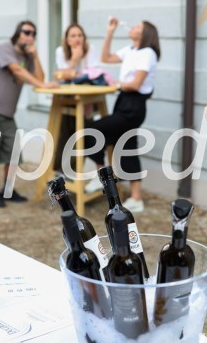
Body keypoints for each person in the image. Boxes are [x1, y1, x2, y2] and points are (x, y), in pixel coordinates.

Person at [0, 20, 57, 207]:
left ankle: (8, 190)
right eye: (26, 32)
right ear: (17, 33)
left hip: (7, 113)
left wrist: (35, 56)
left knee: (13, 152)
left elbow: (39, 78)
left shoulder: (27, 57)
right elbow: (17, 71)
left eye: (33, 34)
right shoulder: (5, 48)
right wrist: (41, 84)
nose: (30, 36)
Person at [82, 18, 159, 213]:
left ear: (145, 34)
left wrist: (116, 85)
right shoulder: (130, 50)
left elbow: (135, 84)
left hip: (133, 104)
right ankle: (136, 198)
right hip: (124, 101)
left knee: (92, 131)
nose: (133, 27)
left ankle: (101, 176)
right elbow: (106, 58)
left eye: (137, 27)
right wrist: (110, 31)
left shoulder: (147, 53)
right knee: (127, 145)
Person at [53, 23, 98, 172]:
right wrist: (74, 60)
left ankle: (75, 169)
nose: (77, 39)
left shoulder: (89, 49)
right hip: (67, 97)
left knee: (83, 134)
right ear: (67, 39)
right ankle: (59, 168)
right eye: (73, 35)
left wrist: (70, 73)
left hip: (87, 98)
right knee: (64, 132)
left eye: (80, 35)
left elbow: (93, 73)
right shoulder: (60, 51)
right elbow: (60, 75)